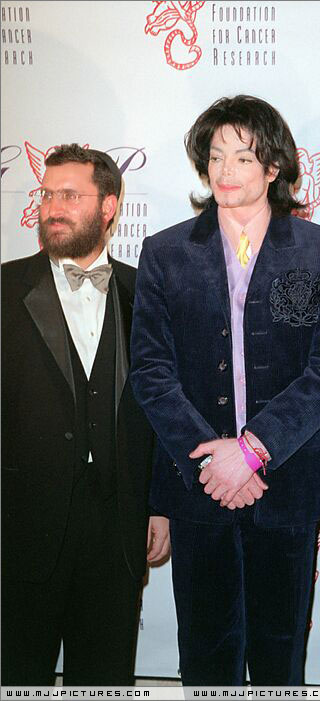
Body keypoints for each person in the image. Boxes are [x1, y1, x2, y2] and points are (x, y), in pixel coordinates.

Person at [130, 94, 320, 686]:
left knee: (281, 661)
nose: (225, 171)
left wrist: (253, 450)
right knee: (205, 657)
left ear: (274, 167)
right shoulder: (164, 253)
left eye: (242, 157)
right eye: (215, 156)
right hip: (197, 485)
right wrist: (212, 462)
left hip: (288, 482)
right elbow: (150, 371)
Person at [1, 144, 169, 686]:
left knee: (104, 682)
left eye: (70, 196)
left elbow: (164, 414)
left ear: (109, 206)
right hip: (20, 530)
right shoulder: (5, 288)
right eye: (48, 195)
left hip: (118, 532)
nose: (53, 208)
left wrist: (160, 506)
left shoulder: (146, 294)